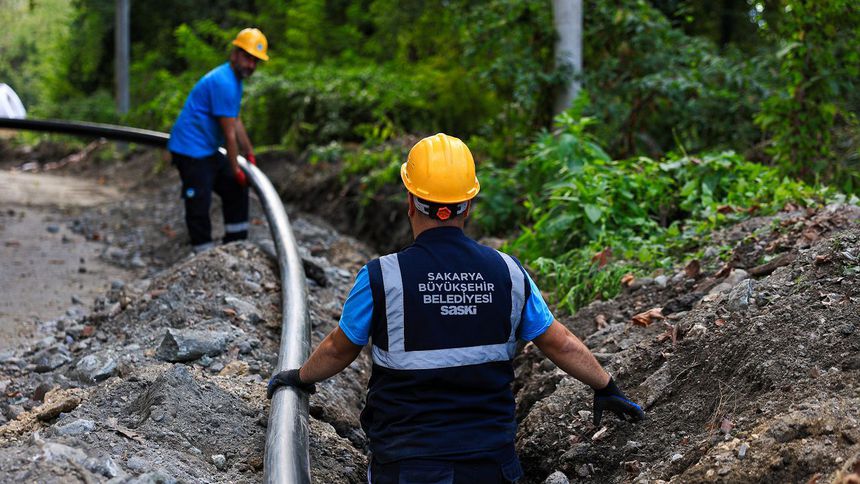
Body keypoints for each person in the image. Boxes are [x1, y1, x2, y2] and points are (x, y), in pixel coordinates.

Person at [267, 133, 645, 483]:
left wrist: (299, 378)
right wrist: (605, 385)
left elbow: (339, 347)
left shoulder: (382, 276)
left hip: (407, 464)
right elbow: (558, 342)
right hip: (491, 465)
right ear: (469, 206)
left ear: (411, 201)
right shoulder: (508, 273)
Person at [167, 28, 269, 252]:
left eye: (255, 61)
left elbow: (236, 119)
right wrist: (236, 169)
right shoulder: (224, 82)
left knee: (235, 189)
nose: (250, 65)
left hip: (207, 148)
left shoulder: (234, 80)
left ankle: (235, 244)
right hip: (190, 149)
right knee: (199, 200)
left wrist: (249, 153)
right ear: (234, 53)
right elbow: (229, 134)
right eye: (247, 57)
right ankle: (202, 253)